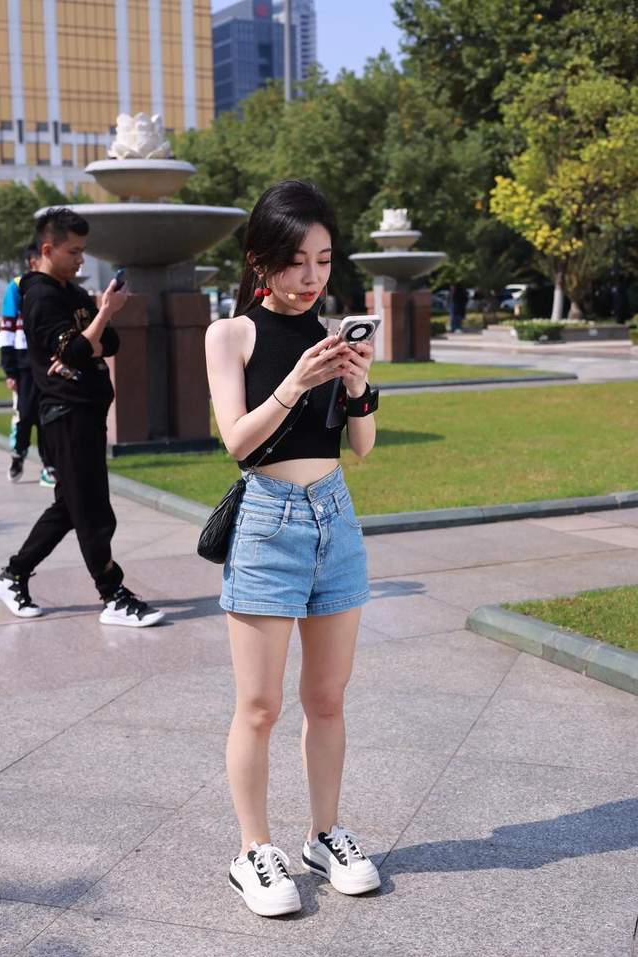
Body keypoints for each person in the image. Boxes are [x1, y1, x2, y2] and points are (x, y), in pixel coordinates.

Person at [205, 180, 381, 918]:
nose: (312, 276)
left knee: (328, 698)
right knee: (259, 705)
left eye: (324, 259)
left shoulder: (333, 334)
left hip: (335, 519)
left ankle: (324, 834)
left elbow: (361, 447)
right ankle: (253, 849)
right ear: (260, 260)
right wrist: (295, 383)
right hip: (268, 523)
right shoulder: (232, 335)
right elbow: (238, 443)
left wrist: (360, 385)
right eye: (297, 260)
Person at [0, 207, 164, 628]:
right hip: (65, 413)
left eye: (83, 250)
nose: (80, 259)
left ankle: (13, 575)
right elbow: (75, 350)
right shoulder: (40, 296)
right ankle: (112, 595)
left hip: (87, 411)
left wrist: (91, 334)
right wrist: (101, 317)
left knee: (70, 506)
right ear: (47, 249)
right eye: (73, 251)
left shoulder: (71, 292)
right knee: (92, 511)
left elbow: (109, 343)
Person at [0, 242, 56, 486]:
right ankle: (19, 453)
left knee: (47, 416)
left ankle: (49, 465)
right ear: (33, 261)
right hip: (23, 364)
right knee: (25, 414)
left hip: (47, 362)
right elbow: (7, 329)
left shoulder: (53, 285)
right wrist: (9, 369)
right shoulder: (17, 286)